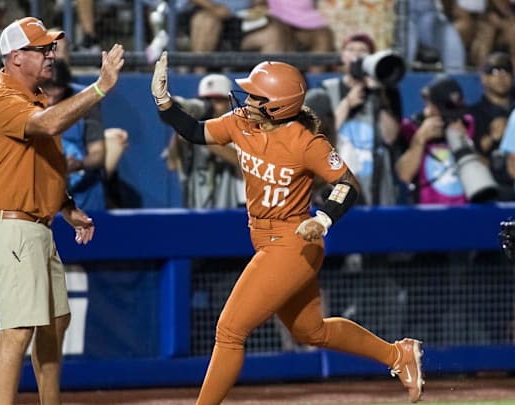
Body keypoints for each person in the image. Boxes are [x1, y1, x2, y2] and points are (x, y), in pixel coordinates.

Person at [151, 51, 424, 404]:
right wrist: (163, 100)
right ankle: (397, 355)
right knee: (311, 331)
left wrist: (323, 218)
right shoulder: (240, 123)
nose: (246, 101)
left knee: (230, 331)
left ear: (277, 106)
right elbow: (195, 131)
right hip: (267, 240)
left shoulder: (305, 142)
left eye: (255, 97)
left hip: (292, 242)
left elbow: (348, 185)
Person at [0, 16, 124, 405]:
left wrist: (67, 206)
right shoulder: (2, 100)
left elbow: (45, 163)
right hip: (12, 227)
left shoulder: (36, 96)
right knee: (18, 330)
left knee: (56, 323)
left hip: (37, 227)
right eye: (41, 48)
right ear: (14, 58)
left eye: (51, 46)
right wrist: (100, 88)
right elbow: (46, 125)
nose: (50, 54)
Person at [315, 32, 402, 207]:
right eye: (351, 49)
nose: (356, 55)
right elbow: (322, 136)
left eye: (363, 51)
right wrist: (347, 103)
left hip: (377, 185)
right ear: (342, 56)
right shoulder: (326, 90)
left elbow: (390, 137)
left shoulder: (387, 91)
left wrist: (379, 95)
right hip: (334, 183)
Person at [164, 73, 243, 209]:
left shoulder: (239, 129)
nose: (211, 105)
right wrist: (182, 128)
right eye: (207, 100)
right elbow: (172, 164)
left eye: (218, 100)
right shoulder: (191, 130)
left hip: (230, 212)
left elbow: (239, 159)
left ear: (230, 103)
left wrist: (198, 136)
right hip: (195, 212)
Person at [395, 75, 477, 205]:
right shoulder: (411, 128)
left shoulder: (468, 124)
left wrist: (466, 142)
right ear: (429, 105)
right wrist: (420, 139)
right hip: (426, 213)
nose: (450, 118)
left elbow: (485, 173)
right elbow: (404, 176)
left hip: (464, 211)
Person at [41, 60, 106, 211]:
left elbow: (98, 154)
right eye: (46, 93)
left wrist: (78, 164)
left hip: (82, 195)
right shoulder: (25, 101)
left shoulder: (85, 101)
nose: (51, 101)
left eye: (56, 93)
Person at [468, 51, 515, 201]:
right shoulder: (472, 114)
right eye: (495, 71)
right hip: (490, 188)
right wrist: (492, 137)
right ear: (484, 78)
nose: (501, 76)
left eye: (506, 71)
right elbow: (470, 152)